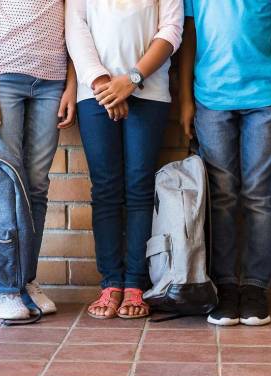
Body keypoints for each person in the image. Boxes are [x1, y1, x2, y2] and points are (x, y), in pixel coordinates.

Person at [179, 0, 271, 326]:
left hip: (263, 101)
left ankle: (254, 287)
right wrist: (185, 101)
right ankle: (225, 286)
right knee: (222, 198)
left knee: (259, 197)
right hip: (211, 100)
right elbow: (189, 37)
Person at [66, 0, 183, 319]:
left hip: (149, 92)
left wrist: (131, 79)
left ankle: (134, 283)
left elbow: (171, 31)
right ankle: (111, 282)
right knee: (105, 189)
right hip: (94, 94)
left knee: (140, 188)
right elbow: (76, 29)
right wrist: (102, 83)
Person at [0, 0, 76, 320]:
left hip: (52, 83)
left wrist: (72, 85)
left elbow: (74, 24)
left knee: (37, 186)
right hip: (4, 78)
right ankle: (1, 286)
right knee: (6, 185)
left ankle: (26, 279)